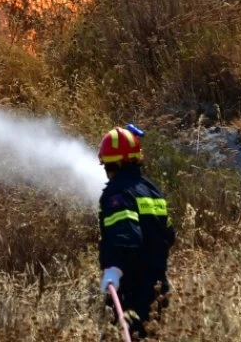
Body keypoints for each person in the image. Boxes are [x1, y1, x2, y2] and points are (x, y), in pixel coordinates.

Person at [97, 124, 174, 339]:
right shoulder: (152, 190)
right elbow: (169, 235)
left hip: (132, 290)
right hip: (158, 289)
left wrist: (114, 270)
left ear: (113, 163)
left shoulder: (117, 192)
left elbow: (125, 237)